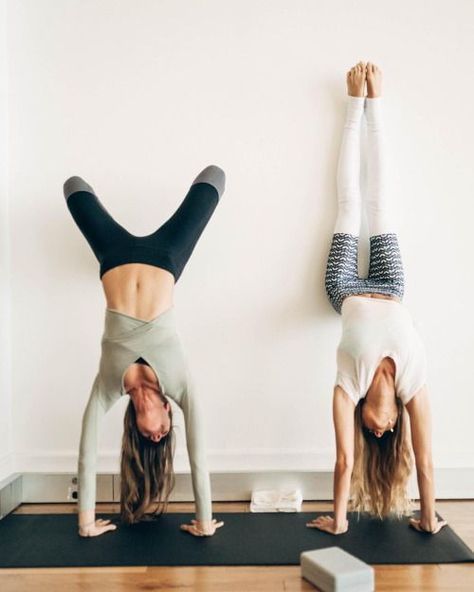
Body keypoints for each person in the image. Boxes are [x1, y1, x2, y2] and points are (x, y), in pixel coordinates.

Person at [307, 62, 447, 535]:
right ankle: (377, 103)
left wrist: (340, 522)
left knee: (350, 204)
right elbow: (425, 463)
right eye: (388, 432)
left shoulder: (349, 382)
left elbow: (345, 460)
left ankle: (355, 105)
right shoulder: (415, 382)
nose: (382, 430)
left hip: (343, 288)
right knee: (381, 205)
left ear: (365, 416)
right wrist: (428, 519)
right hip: (392, 287)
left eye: (374, 430)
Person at [63, 165, 226, 538]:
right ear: (169, 411)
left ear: (134, 428)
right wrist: (204, 521)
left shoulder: (108, 388)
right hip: (166, 256)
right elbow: (199, 457)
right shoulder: (181, 385)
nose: (156, 436)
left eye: (148, 438)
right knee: (215, 176)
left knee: (72, 185)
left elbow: (86, 455)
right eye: (164, 435)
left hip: (114, 255)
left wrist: (86, 523)